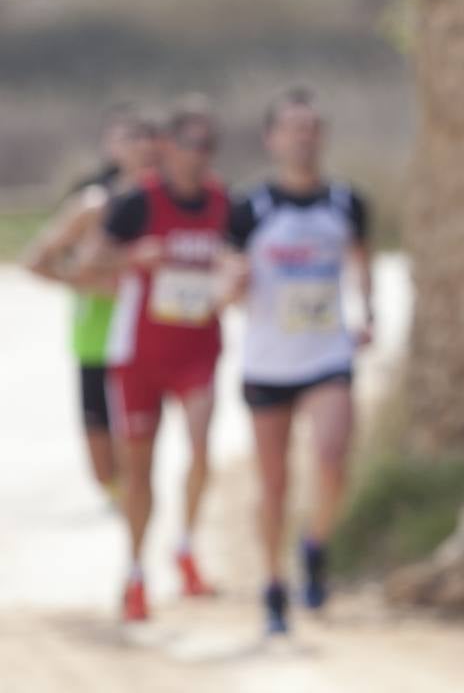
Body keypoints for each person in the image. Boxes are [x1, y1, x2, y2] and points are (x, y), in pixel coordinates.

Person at [222, 87, 374, 635]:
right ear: (272, 139)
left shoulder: (346, 202)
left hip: (327, 353)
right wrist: (233, 286)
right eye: (292, 127)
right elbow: (225, 282)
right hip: (267, 361)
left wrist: (368, 312)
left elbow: (361, 261)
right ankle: (271, 582)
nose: (303, 137)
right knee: (274, 484)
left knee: (332, 457)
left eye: (311, 127)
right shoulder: (248, 208)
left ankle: (315, 544)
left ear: (321, 135)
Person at [86, 104, 232, 622]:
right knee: (140, 472)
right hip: (140, 357)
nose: (200, 156)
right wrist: (132, 259)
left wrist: (232, 278)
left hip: (198, 351)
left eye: (208, 145)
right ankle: (134, 572)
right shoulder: (136, 205)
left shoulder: (223, 203)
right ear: (168, 148)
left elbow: (238, 261)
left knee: (199, 447)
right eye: (191, 144)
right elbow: (90, 261)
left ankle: (187, 546)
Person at [21, 106, 162, 511]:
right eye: (132, 140)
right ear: (114, 149)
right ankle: (122, 499)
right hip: (98, 337)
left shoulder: (169, 202)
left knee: (140, 440)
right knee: (103, 461)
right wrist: (95, 283)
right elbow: (37, 260)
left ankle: (139, 512)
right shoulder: (95, 204)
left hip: (152, 339)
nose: (143, 150)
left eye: (150, 142)